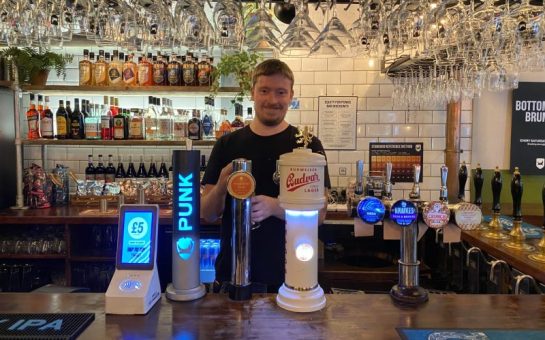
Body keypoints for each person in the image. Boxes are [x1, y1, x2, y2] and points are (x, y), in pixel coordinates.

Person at [201, 59, 330, 292]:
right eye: (264, 91)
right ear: (253, 93)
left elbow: (320, 214)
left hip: (290, 279)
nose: (272, 100)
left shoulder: (308, 145)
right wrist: (221, 184)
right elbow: (207, 213)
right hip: (233, 277)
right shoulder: (227, 144)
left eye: (281, 92)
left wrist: (276, 207)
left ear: (291, 95)